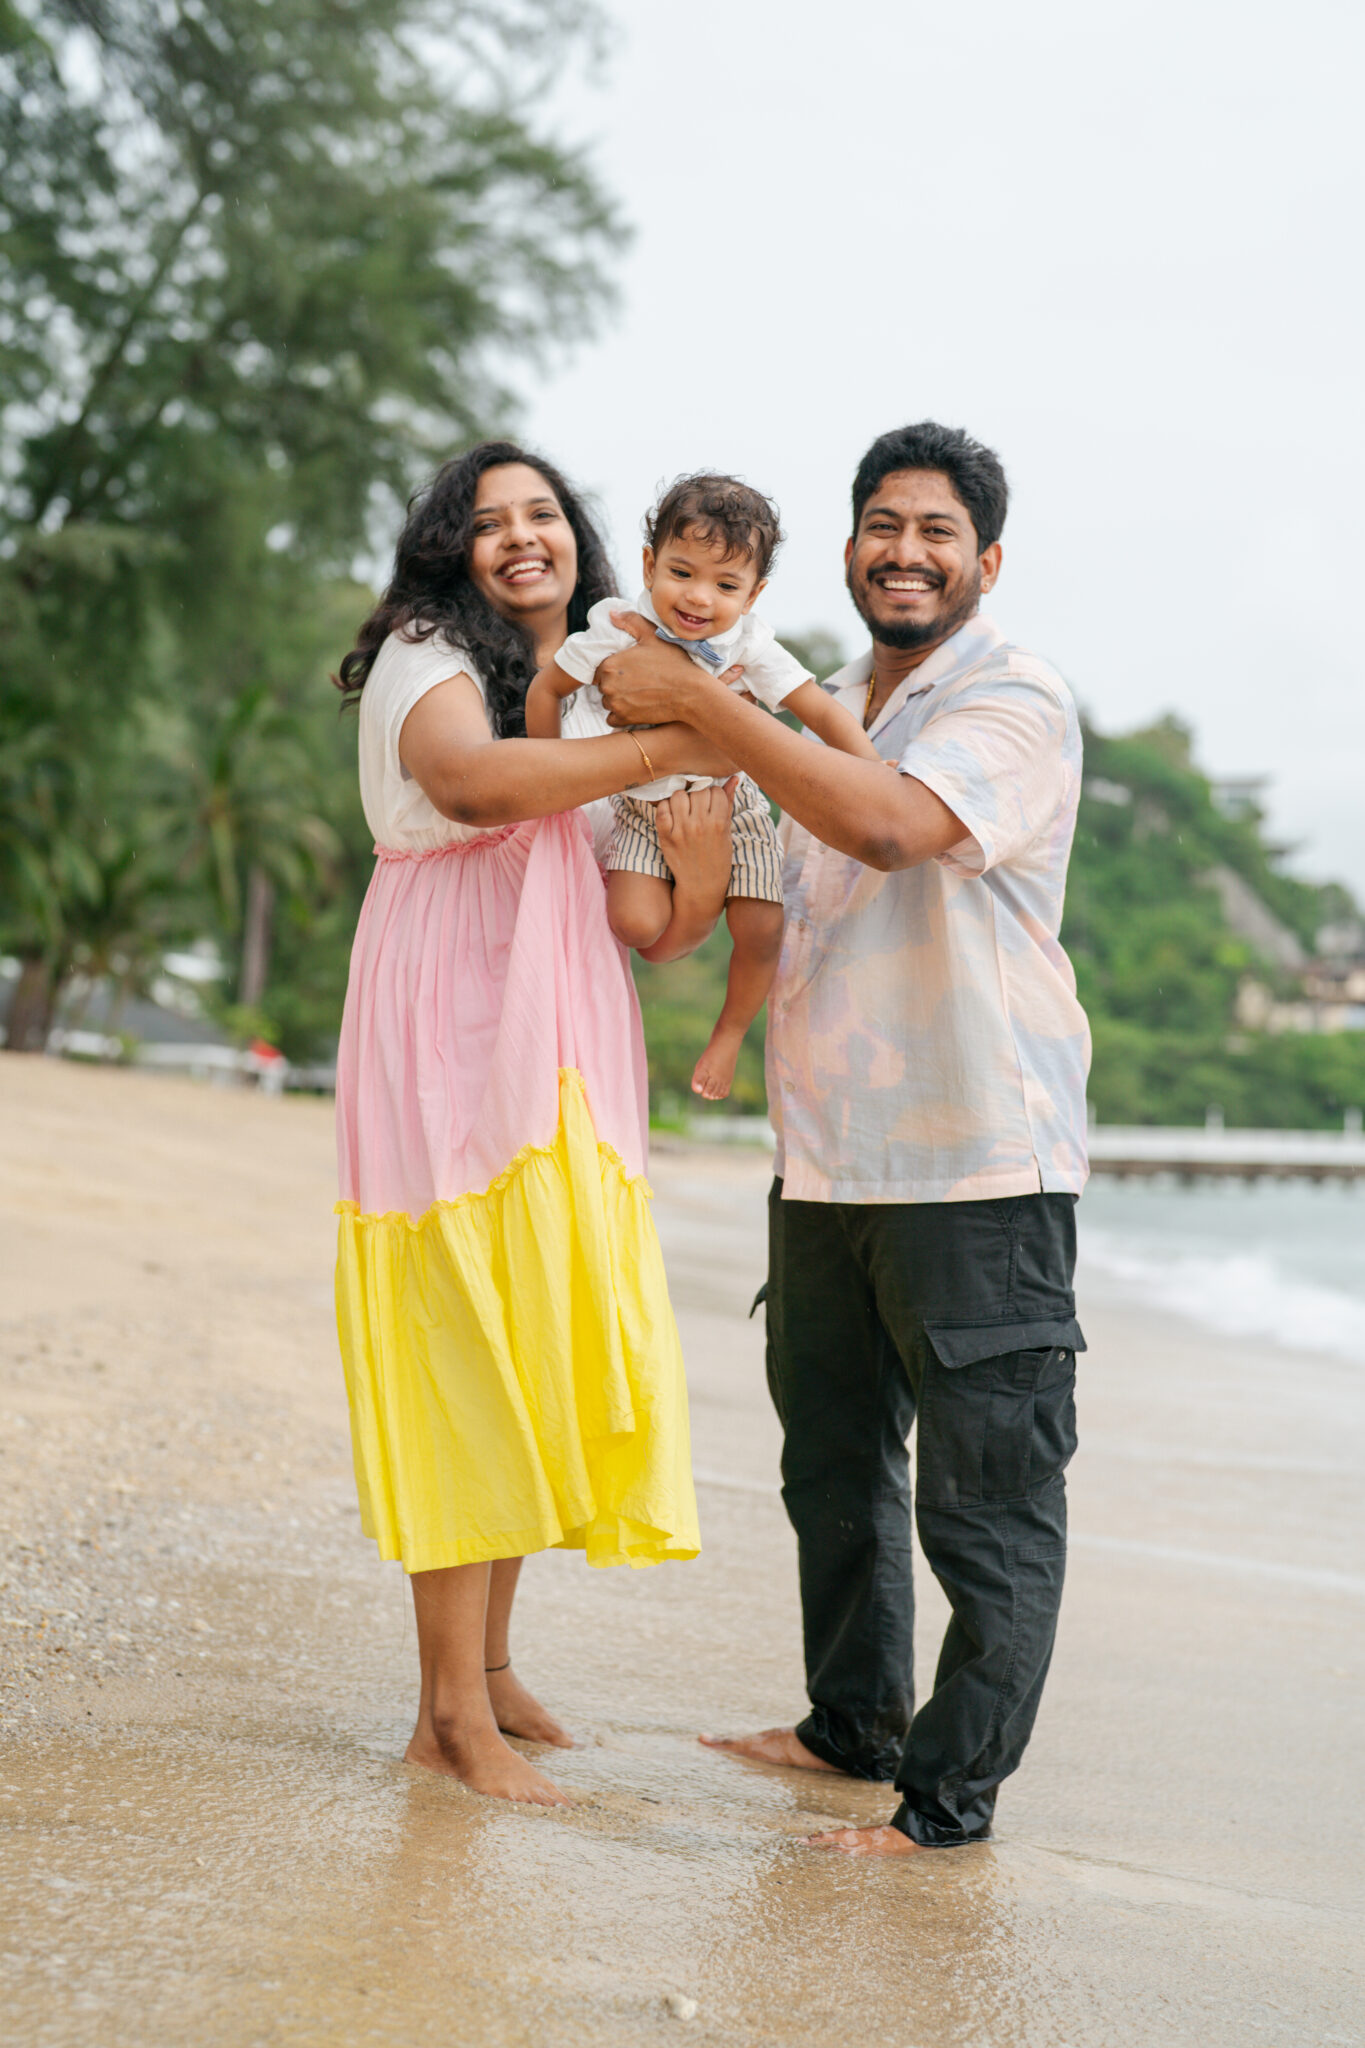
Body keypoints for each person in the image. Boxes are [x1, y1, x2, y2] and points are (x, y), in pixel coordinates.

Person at [593, 422, 1091, 1855]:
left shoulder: (1010, 694)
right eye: (883, 524)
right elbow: (753, 898)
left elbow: (888, 828)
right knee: (832, 1467)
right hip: (822, 1160)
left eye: (938, 531)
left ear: (987, 560)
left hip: (976, 1161)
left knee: (984, 1502)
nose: (905, 551)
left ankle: (944, 1805)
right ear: (849, 547)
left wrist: (704, 699)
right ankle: (851, 1726)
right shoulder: (811, 704)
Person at [332, 440, 736, 1808]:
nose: (521, 536)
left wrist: (696, 869)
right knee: (463, 1324)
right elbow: (470, 786)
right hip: (451, 996)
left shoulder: (604, 685)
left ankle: (492, 1674)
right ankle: (447, 1717)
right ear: (450, 549)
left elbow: (651, 927)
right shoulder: (427, 653)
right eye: (488, 520)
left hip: (563, 1020)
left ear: (578, 538)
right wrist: (674, 739)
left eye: (543, 514)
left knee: (530, 1322)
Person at [526, 474, 880, 1100]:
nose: (698, 596)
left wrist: (874, 776)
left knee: (762, 927)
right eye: (681, 572)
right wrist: (550, 781)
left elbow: (820, 711)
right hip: (644, 805)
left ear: (754, 594)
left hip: (733, 804)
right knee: (633, 923)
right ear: (649, 565)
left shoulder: (750, 644)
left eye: (726, 585)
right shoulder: (617, 629)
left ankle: (729, 1032)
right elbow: (545, 689)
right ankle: (698, 892)